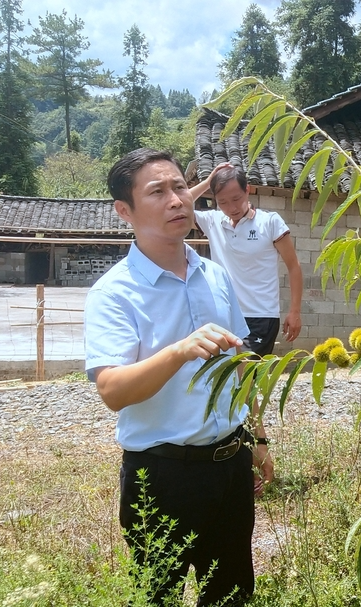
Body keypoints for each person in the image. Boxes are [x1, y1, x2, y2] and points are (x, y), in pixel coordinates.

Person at [85, 148, 269, 605]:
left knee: (231, 595)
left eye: (180, 187)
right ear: (123, 211)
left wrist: (260, 438)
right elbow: (112, 390)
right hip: (162, 474)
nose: (176, 200)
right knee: (158, 596)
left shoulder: (215, 277)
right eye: (158, 192)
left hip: (230, 462)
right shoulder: (114, 293)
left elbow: (240, 365)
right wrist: (177, 352)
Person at [189, 162, 303, 357]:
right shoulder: (212, 221)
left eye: (236, 198)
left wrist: (295, 311)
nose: (231, 207)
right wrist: (208, 182)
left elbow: (294, 267)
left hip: (261, 317)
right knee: (225, 380)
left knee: (246, 375)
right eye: (222, 202)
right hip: (224, 315)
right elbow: (178, 204)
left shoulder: (270, 222)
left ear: (247, 190)